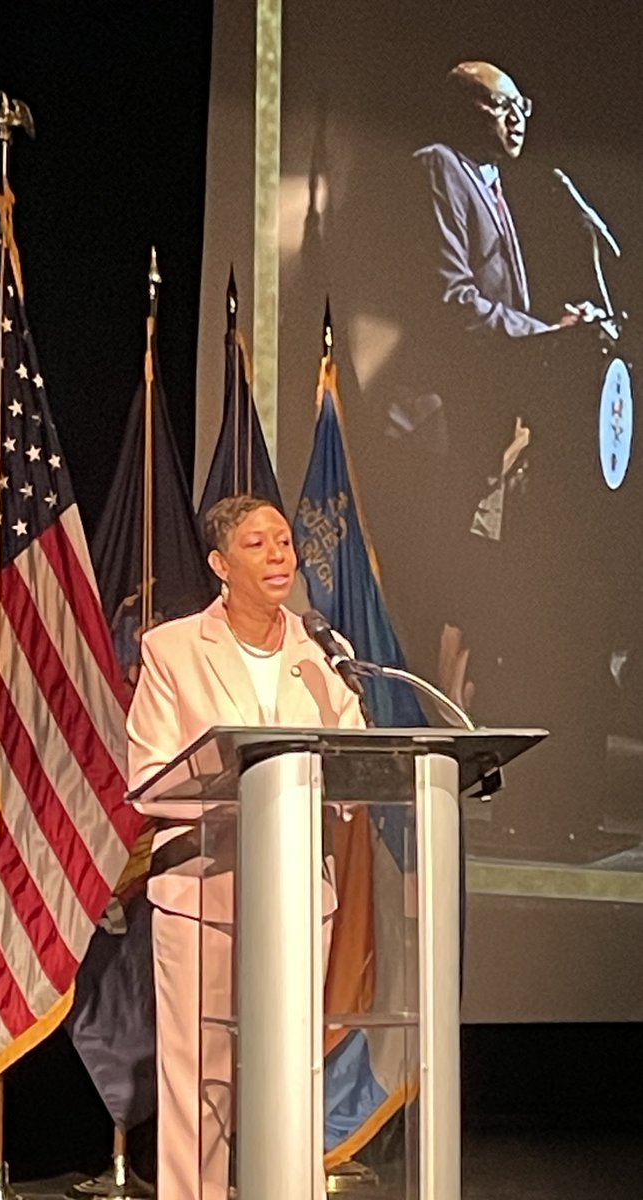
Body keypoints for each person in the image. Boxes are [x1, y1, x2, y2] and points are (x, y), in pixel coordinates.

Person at [125, 493, 366, 1200]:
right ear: (219, 564)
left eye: (285, 542)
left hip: (296, 891)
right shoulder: (171, 650)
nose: (279, 556)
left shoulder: (322, 651)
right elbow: (149, 784)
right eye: (258, 545)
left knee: (292, 1064)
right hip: (204, 889)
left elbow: (353, 766)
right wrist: (245, 788)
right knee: (199, 1068)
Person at [366, 59, 603, 708]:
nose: (518, 117)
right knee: (426, 602)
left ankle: (452, 751)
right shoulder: (438, 166)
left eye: (522, 104)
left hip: (477, 436)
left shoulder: (492, 181)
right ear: (462, 109)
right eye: (501, 105)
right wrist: (541, 334)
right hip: (431, 433)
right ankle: (410, 752)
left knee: (464, 609)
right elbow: (450, 300)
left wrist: (552, 329)